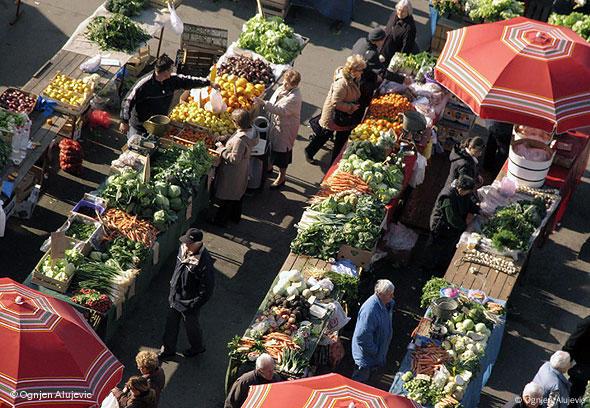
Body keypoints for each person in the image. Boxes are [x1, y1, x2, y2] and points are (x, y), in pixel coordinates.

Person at [119, 54, 210, 138]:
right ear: (165, 71)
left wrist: (208, 82)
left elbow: (188, 81)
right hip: (140, 126)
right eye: (171, 69)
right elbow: (128, 101)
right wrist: (124, 121)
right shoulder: (144, 84)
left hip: (159, 125)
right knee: (134, 149)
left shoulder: (172, 80)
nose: (172, 71)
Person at [159, 228, 215, 359]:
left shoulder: (204, 264)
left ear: (197, 244)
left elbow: (207, 290)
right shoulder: (183, 248)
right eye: (185, 242)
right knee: (171, 323)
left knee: (191, 326)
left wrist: (193, 304)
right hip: (175, 296)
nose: (185, 245)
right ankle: (167, 349)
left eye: (188, 243)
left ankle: (197, 347)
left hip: (189, 302)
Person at [305, 55, 366, 165]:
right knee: (325, 135)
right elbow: (336, 103)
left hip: (344, 114)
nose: (362, 73)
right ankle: (310, 152)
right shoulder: (342, 84)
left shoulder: (354, 77)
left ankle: (334, 162)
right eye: (360, 70)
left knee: (339, 138)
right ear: (352, 70)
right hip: (335, 114)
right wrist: (351, 107)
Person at [254, 69, 302, 188]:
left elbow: (280, 110)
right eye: (284, 82)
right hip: (276, 125)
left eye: (287, 84)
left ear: (295, 85)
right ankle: (269, 167)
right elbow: (274, 100)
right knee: (271, 147)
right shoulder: (284, 88)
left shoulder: (294, 98)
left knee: (282, 154)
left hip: (285, 128)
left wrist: (264, 104)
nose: (284, 85)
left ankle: (282, 177)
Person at [212, 109, 259, 226]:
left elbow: (234, 159)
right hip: (242, 169)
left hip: (233, 172)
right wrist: (229, 138)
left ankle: (220, 221)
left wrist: (221, 149)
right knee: (237, 194)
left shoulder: (239, 140)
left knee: (228, 197)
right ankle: (235, 217)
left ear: (236, 122)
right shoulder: (252, 130)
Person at [425, 175, 480, 274]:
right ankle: (427, 268)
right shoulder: (448, 196)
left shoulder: (463, 193)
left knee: (446, 247)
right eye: (467, 191)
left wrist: (478, 210)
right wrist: (464, 226)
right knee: (435, 247)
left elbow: (469, 203)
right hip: (441, 225)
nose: (468, 193)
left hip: (451, 227)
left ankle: (440, 267)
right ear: (460, 188)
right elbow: (452, 218)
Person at [351, 279, 395, 384]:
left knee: (370, 375)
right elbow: (362, 337)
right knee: (360, 380)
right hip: (366, 357)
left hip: (376, 354)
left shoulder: (387, 303)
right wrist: (375, 351)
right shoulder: (370, 311)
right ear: (380, 294)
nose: (392, 297)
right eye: (389, 295)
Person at [563, 316, 590, 401]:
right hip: (581, 366)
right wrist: (565, 361)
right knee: (573, 392)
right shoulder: (587, 323)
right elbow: (572, 343)